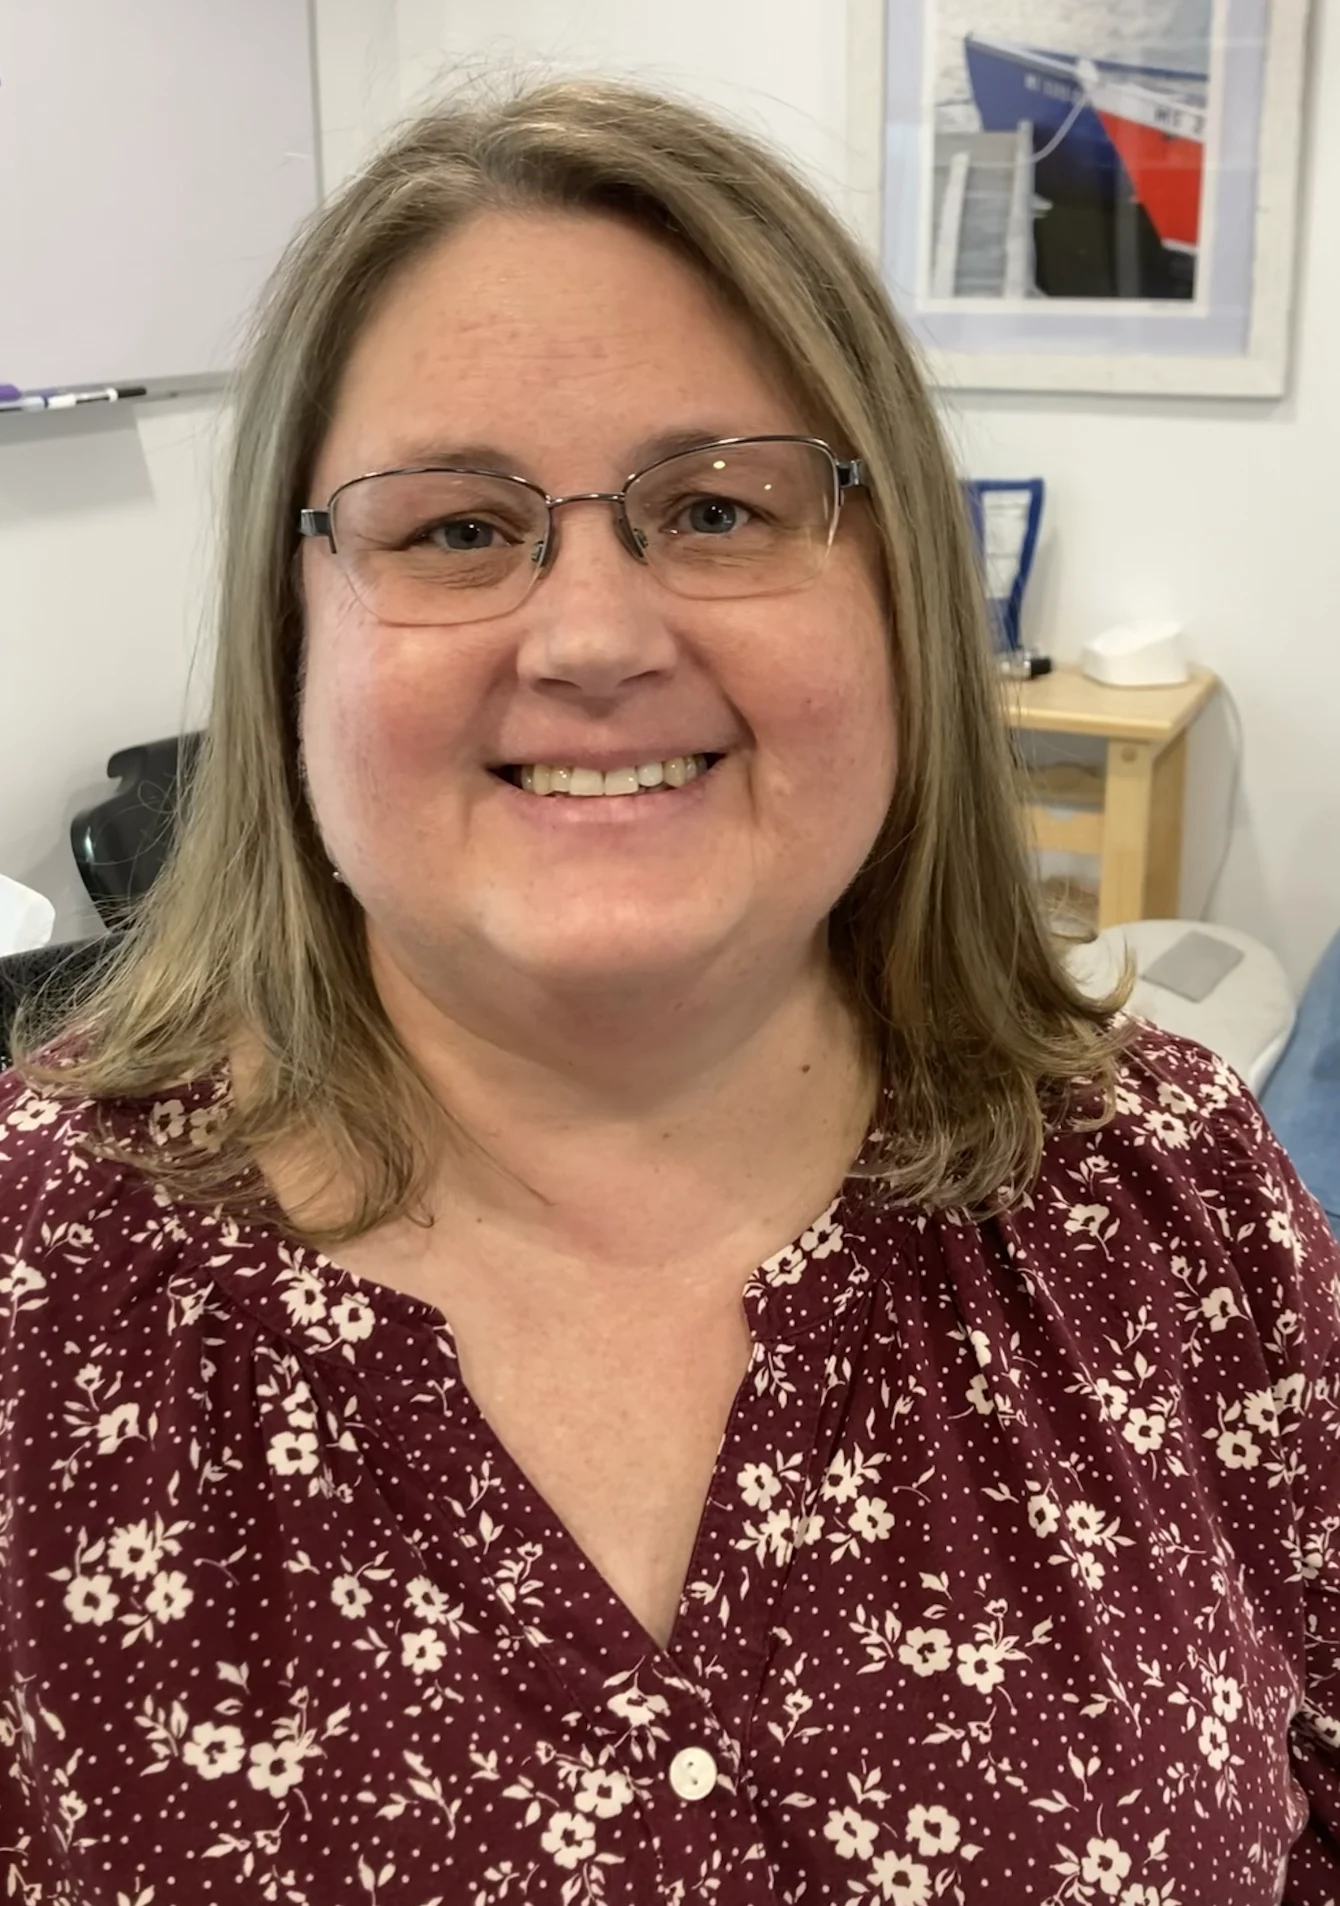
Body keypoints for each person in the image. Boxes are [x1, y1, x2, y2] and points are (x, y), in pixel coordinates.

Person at [1, 76, 1336, 1906]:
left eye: (715, 508)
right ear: (290, 632)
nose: (599, 637)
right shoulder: (42, 1281)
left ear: (901, 606)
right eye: (457, 530)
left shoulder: (1168, 1192)